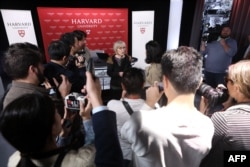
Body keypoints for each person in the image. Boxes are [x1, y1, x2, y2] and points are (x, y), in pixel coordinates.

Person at [0, 71, 123, 167]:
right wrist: (95, 98)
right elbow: (108, 155)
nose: (60, 114)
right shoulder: (85, 161)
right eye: (55, 112)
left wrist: (63, 137)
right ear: (53, 128)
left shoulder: (14, 159)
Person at [121, 46, 214, 167]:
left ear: (165, 81)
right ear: (199, 82)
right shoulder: (207, 125)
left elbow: (124, 135)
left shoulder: (142, 122)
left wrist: (148, 104)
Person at [200, 60, 250, 167]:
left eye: (227, 79)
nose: (225, 84)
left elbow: (199, 147)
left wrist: (203, 113)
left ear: (237, 88)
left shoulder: (224, 120)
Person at [2, 42, 71, 109]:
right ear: (33, 69)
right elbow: (57, 119)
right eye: (41, 64)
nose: (43, 68)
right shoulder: (34, 99)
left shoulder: (11, 92)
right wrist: (64, 96)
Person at [107, 67, 145, 167]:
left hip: (122, 156)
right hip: (143, 158)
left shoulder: (112, 105)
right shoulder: (152, 107)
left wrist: (121, 99)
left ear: (123, 86)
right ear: (143, 84)